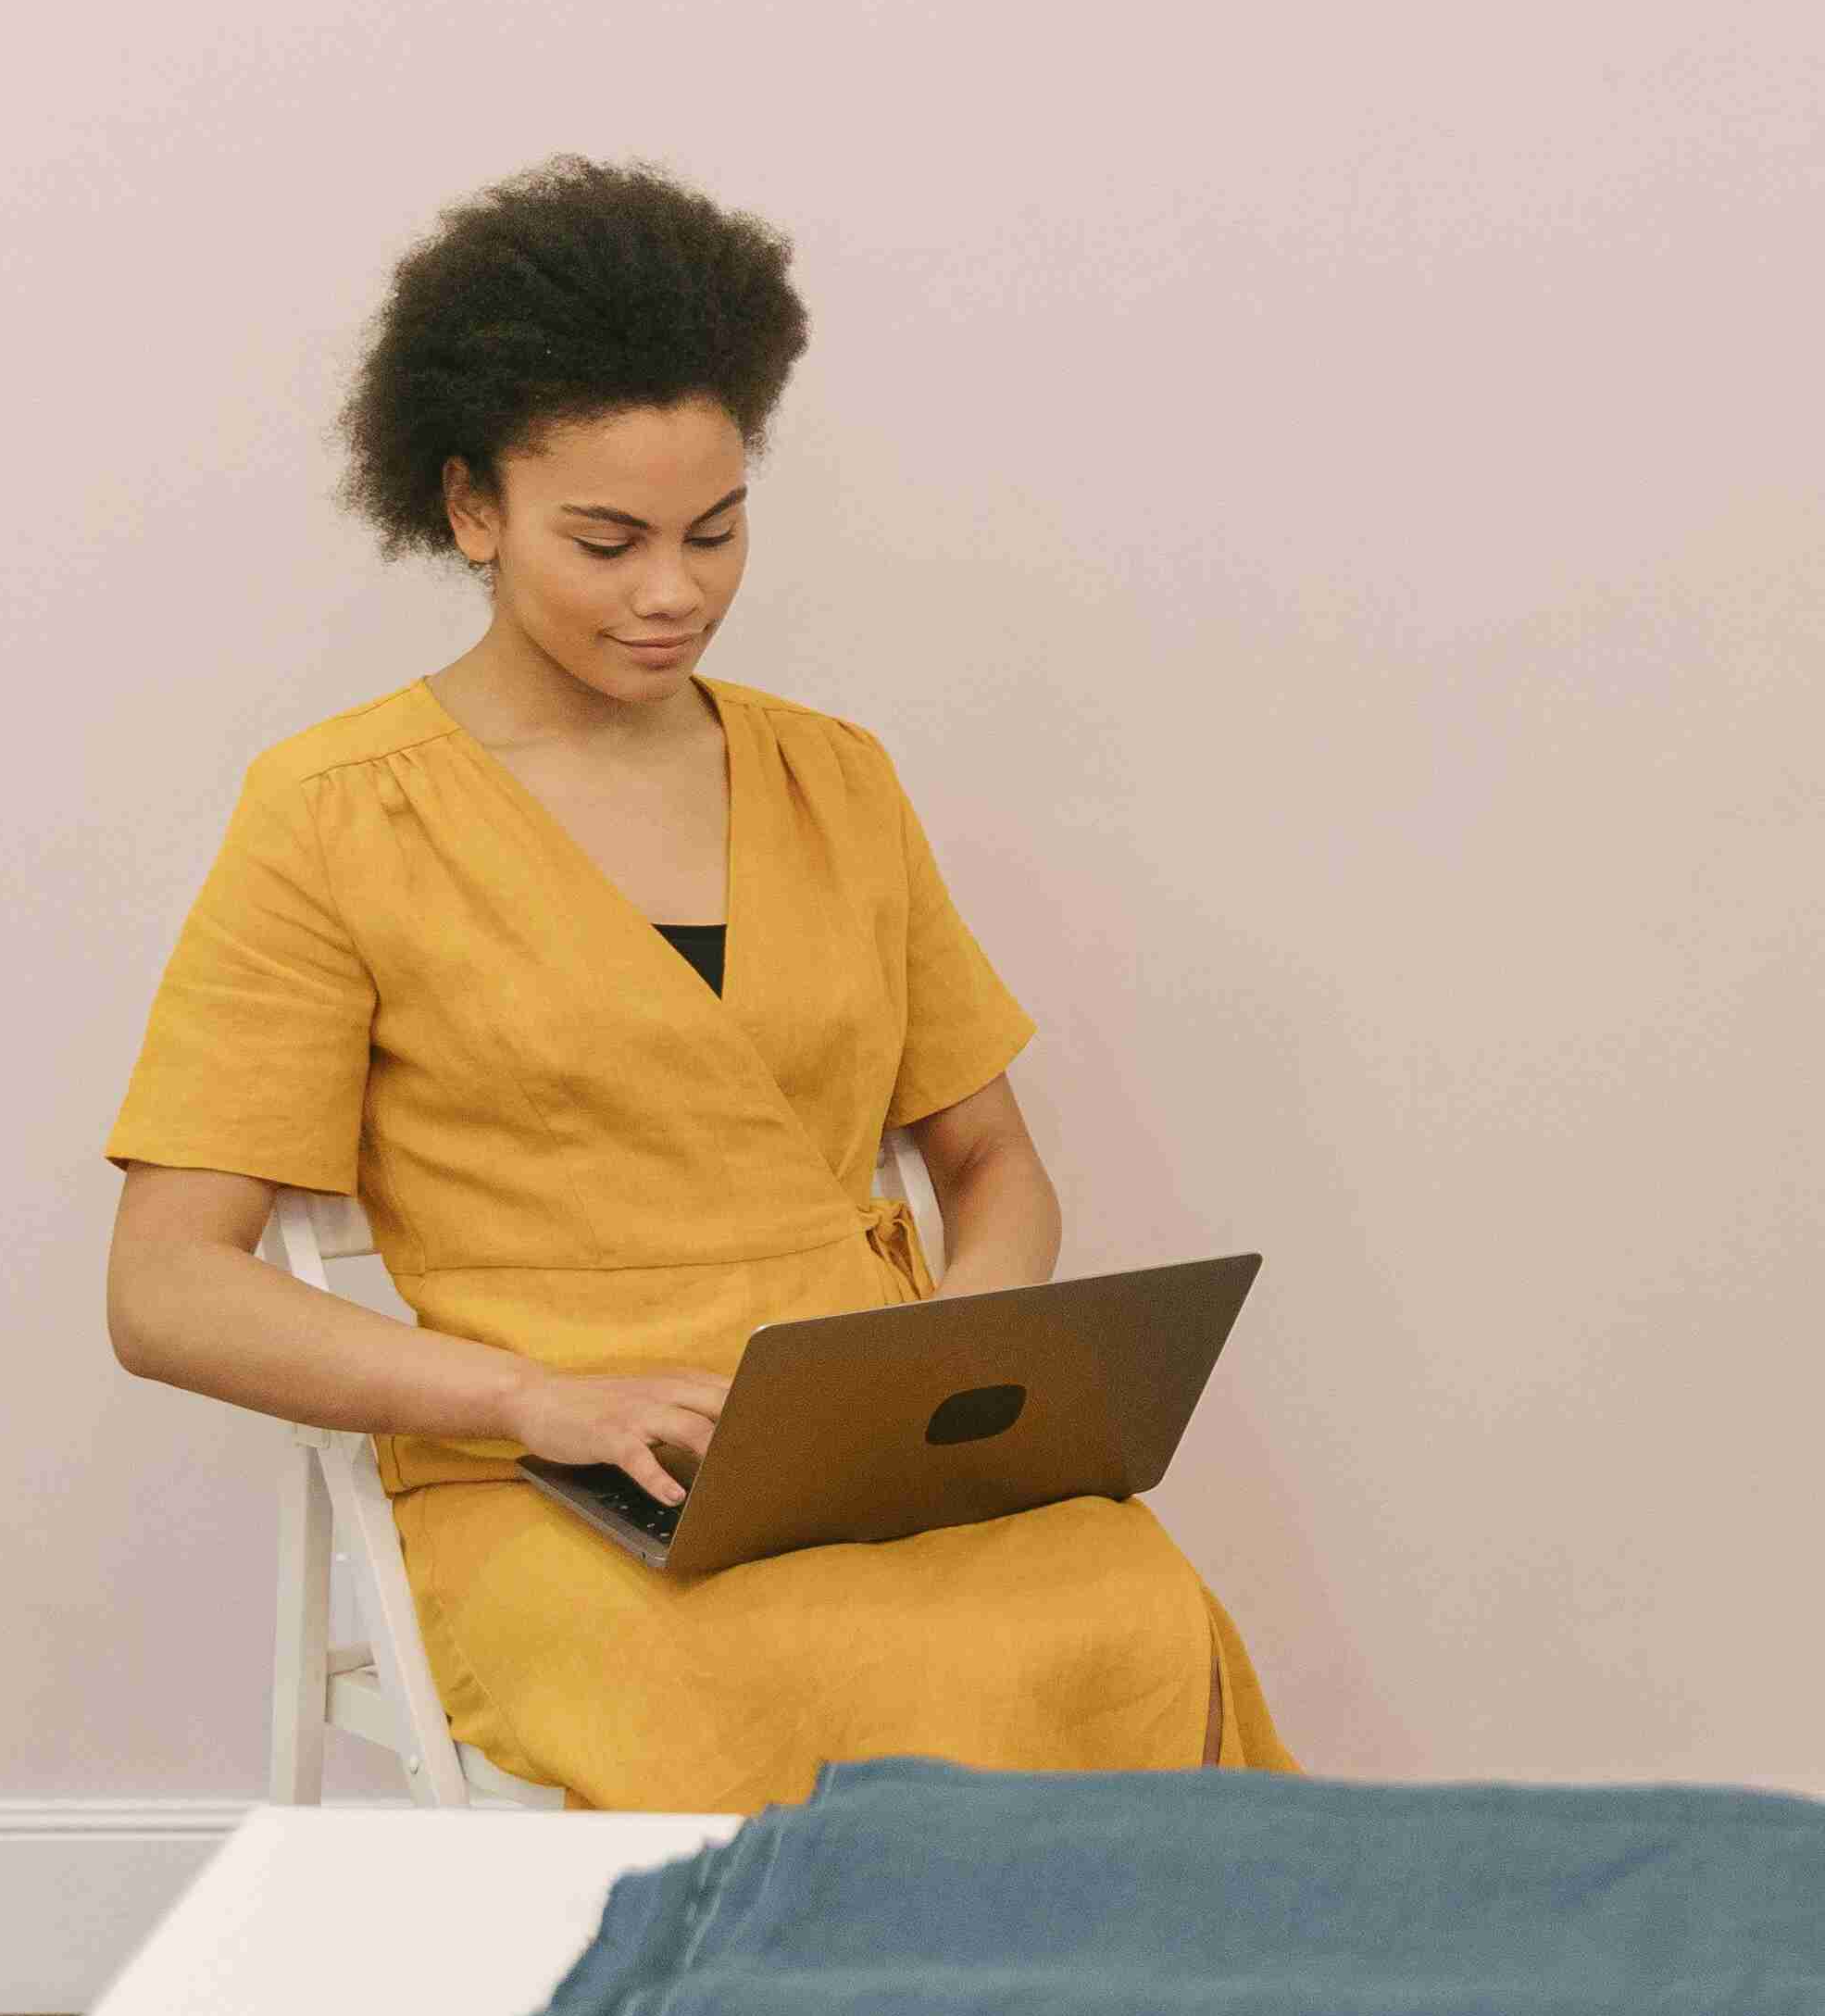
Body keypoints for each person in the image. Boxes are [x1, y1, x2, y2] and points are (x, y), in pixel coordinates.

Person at [99, 154, 1296, 1808]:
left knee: (1130, 1602)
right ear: (468, 509)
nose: (675, 592)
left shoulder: (836, 780)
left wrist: (949, 1371)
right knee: (752, 1667)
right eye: (608, 541)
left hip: (864, 1459)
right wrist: (539, 1395)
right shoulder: (334, 815)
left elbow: (992, 1161)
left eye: (716, 531)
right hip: (544, 1472)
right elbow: (165, 1286)